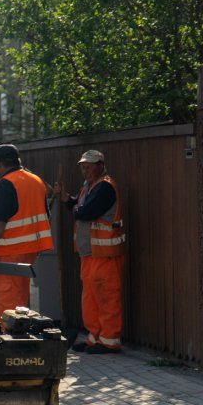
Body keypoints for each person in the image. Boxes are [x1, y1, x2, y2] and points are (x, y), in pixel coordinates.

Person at [53, 149, 126, 353]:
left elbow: (85, 212)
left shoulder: (105, 187)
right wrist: (67, 198)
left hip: (105, 254)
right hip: (91, 253)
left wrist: (76, 208)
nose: (85, 170)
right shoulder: (89, 187)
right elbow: (78, 205)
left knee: (106, 296)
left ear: (100, 166)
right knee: (91, 297)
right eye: (83, 167)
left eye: (89, 166)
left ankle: (109, 340)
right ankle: (95, 337)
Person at [0, 144, 53, 315]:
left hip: (9, 250)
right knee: (19, 296)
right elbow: (45, 213)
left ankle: (8, 337)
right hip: (30, 249)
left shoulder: (6, 183)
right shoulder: (36, 180)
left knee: (7, 299)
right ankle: (18, 335)